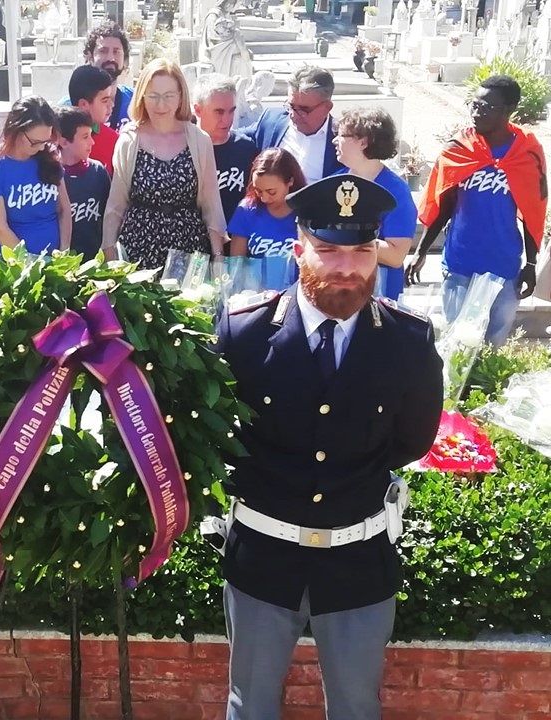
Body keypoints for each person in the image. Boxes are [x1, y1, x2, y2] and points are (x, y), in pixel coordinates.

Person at [215, 174, 444, 720]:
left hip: (358, 556)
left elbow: (412, 440)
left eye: (362, 251)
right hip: (264, 556)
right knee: (250, 705)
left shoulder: (408, 344)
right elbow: (224, 436)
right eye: (328, 250)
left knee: (357, 708)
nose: (347, 267)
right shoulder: (243, 335)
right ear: (299, 252)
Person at [406, 75, 548, 345]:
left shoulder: (526, 155)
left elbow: (533, 212)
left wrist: (530, 264)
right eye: (474, 104)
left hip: (504, 267)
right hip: (460, 263)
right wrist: (420, 251)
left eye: (486, 107)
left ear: (508, 111)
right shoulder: (458, 150)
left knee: (493, 347)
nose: (475, 112)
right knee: (455, 346)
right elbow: (442, 205)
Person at [102, 58, 226, 269]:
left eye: (169, 96)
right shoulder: (129, 141)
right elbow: (116, 205)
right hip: (138, 251)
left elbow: (211, 204)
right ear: (142, 97)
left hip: (188, 250)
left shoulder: (199, 140)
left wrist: (218, 259)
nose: (161, 105)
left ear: (180, 97)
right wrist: (109, 254)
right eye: (153, 96)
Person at [333, 107, 418, 301]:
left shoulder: (396, 191)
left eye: (341, 135)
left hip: (379, 295)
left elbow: (396, 256)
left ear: (363, 142)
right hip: (339, 290)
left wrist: (347, 236)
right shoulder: (334, 183)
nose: (334, 141)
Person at [0, 96, 72, 254]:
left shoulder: (49, 157)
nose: (42, 148)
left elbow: (64, 209)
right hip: (16, 266)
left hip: (55, 260)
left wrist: (64, 251)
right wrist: (30, 263)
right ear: (16, 131)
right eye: (35, 142)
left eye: (46, 141)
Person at [242, 65, 343, 183]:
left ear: (327, 107)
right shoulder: (271, 121)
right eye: (291, 106)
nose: (293, 115)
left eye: (304, 109)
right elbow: (233, 137)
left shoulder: (344, 139)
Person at [228, 148, 306, 290]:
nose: (264, 198)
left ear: (290, 181)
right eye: (258, 190)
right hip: (253, 296)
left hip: (295, 293)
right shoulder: (247, 209)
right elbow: (236, 266)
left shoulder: (307, 212)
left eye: (271, 192)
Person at [192, 73, 259, 225]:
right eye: (219, 112)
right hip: (192, 240)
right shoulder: (182, 149)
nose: (227, 120)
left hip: (235, 241)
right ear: (198, 110)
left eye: (232, 111)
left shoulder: (246, 149)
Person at [58, 106, 110, 258]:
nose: (92, 142)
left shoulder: (98, 172)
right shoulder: (51, 177)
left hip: (93, 262)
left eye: (91, 135)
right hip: (63, 262)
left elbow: (109, 216)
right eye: (85, 137)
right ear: (64, 142)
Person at [80, 21, 135, 130]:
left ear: (125, 59)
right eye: (103, 51)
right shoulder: (72, 105)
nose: (111, 58)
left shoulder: (136, 101)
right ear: (90, 57)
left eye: (116, 51)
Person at [68, 64, 119, 174]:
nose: (112, 105)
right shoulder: (57, 139)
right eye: (105, 100)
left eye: (111, 99)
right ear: (84, 104)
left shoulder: (114, 140)